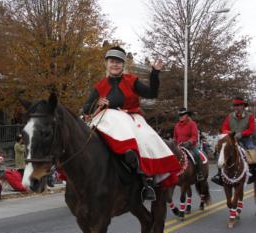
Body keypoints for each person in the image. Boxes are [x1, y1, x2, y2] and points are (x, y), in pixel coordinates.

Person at [82, 46, 181, 200]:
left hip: (130, 118)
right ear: (106, 64)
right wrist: (97, 102)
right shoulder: (100, 85)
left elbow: (152, 94)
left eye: (119, 62)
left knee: (148, 139)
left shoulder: (131, 80)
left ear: (123, 65)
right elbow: (86, 109)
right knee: (84, 141)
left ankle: (146, 180)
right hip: (105, 120)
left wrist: (154, 73)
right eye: (112, 62)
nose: (115, 65)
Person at [212, 97, 256, 185]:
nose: (236, 107)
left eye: (239, 105)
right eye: (235, 106)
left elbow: (252, 129)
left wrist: (241, 134)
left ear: (243, 106)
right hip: (231, 138)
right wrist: (230, 133)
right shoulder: (229, 116)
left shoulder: (250, 116)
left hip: (245, 138)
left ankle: (253, 172)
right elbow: (224, 128)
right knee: (218, 150)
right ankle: (219, 174)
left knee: (252, 149)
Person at [173, 108, 204, 181]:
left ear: (186, 115)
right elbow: (175, 137)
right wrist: (174, 143)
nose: (180, 116)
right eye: (179, 115)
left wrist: (189, 142)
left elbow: (194, 136)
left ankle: (200, 173)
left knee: (197, 154)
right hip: (179, 146)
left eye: (182, 115)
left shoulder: (192, 124)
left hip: (190, 146)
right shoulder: (176, 126)